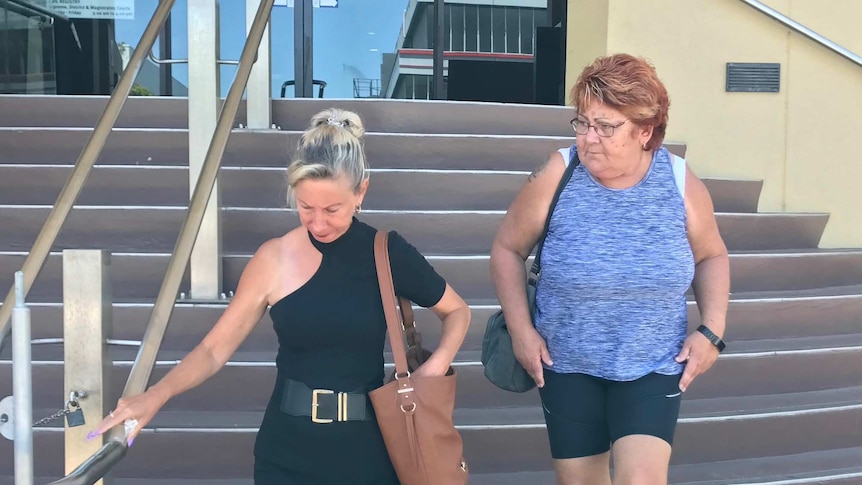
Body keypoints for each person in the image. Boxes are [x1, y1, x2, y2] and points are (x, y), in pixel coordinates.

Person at [89, 108, 472, 484]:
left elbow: (457, 311)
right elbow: (213, 350)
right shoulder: (273, 258)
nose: (318, 222)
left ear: (361, 192)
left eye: (332, 209)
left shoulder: (387, 253)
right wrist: (156, 395)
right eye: (306, 207)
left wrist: (433, 368)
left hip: (369, 451)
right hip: (285, 454)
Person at [490, 53, 730, 484]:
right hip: (566, 364)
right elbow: (507, 249)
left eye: (606, 126)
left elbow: (711, 255)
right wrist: (522, 332)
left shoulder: (677, 181)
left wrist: (711, 330)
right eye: (583, 122)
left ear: (646, 131)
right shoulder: (558, 173)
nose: (589, 138)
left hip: (653, 364)